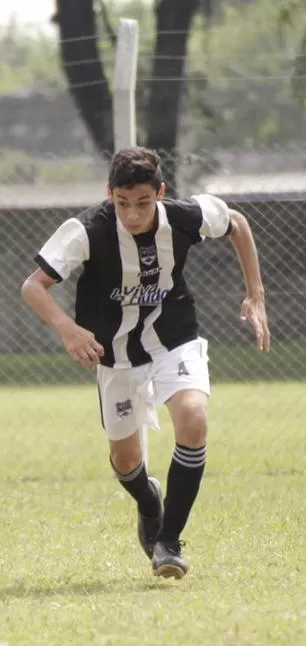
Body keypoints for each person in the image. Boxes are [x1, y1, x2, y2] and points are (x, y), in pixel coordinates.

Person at [21, 147, 270, 579]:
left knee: (192, 417)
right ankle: (148, 502)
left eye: (142, 203)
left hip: (174, 338)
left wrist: (256, 295)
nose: (132, 215)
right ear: (109, 194)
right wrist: (68, 328)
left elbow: (238, 223)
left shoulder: (184, 217)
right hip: (115, 357)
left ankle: (168, 544)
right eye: (122, 203)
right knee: (124, 459)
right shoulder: (86, 230)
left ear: (160, 192)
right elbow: (33, 286)